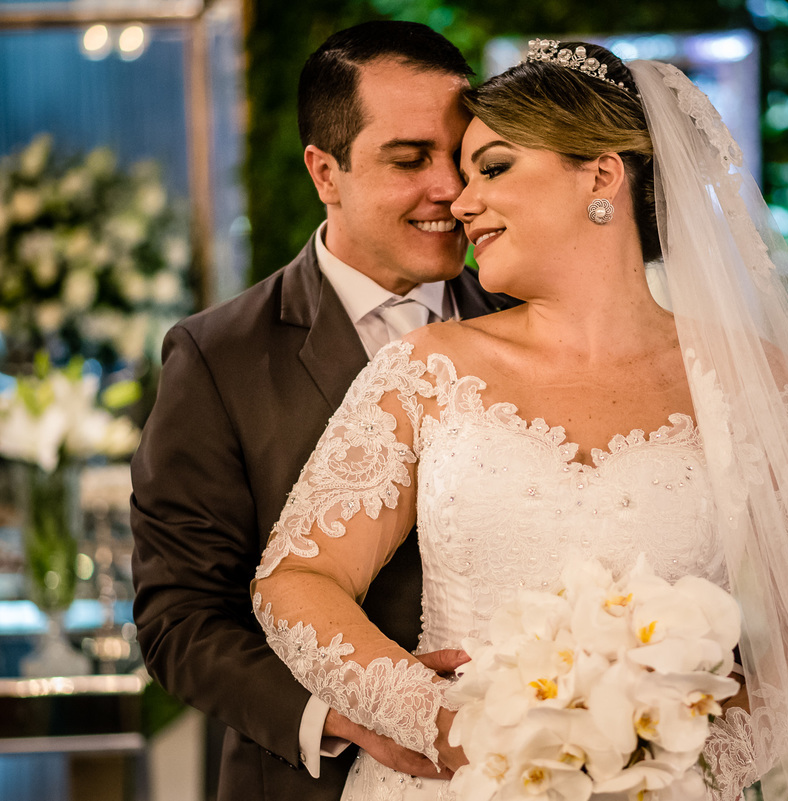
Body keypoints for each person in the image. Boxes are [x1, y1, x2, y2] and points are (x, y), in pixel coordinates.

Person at [251, 40, 788, 801]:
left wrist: (677, 753)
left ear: (600, 175)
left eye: (492, 168)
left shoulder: (750, 381)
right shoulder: (425, 370)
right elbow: (295, 581)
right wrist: (439, 719)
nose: (462, 203)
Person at [130, 21, 515, 801]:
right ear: (324, 172)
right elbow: (180, 615)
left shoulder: (529, 319)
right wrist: (342, 713)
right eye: (410, 159)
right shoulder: (217, 357)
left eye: (464, 156)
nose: (452, 190)